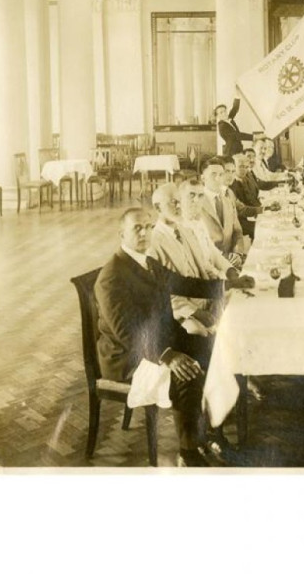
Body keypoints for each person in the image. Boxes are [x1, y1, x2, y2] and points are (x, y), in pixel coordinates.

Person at [94, 208, 210, 466]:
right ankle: (188, 453)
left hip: (159, 341)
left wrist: (226, 286)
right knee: (185, 373)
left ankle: (205, 431)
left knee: (213, 348)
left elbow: (183, 283)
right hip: (127, 356)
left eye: (149, 226)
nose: (145, 232)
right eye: (137, 228)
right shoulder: (112, 276)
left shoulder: (148, 262)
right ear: (121, 232)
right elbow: (127, 332)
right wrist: (167, 356)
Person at [151, 183, 255, 338]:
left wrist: (222, 289)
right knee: (203, 332)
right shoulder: (153, 242)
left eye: (180, 200)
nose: (179, 206)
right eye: (173, 202)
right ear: (158, 208)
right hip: (181, 312)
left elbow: (204, 266)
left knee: (246, 305)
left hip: (205, 298)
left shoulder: (184, 231)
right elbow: (163, 292)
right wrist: (197, 313)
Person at [197, 157, 246, 265]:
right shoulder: (196, 203)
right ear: (203, 178)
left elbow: (237, 232)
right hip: (208, 264)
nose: (218, 178)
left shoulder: (228, 201)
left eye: (221, 174)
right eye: (213, 174)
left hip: (231, 261)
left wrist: (238, 253)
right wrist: (224, 258)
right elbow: (197, 243)